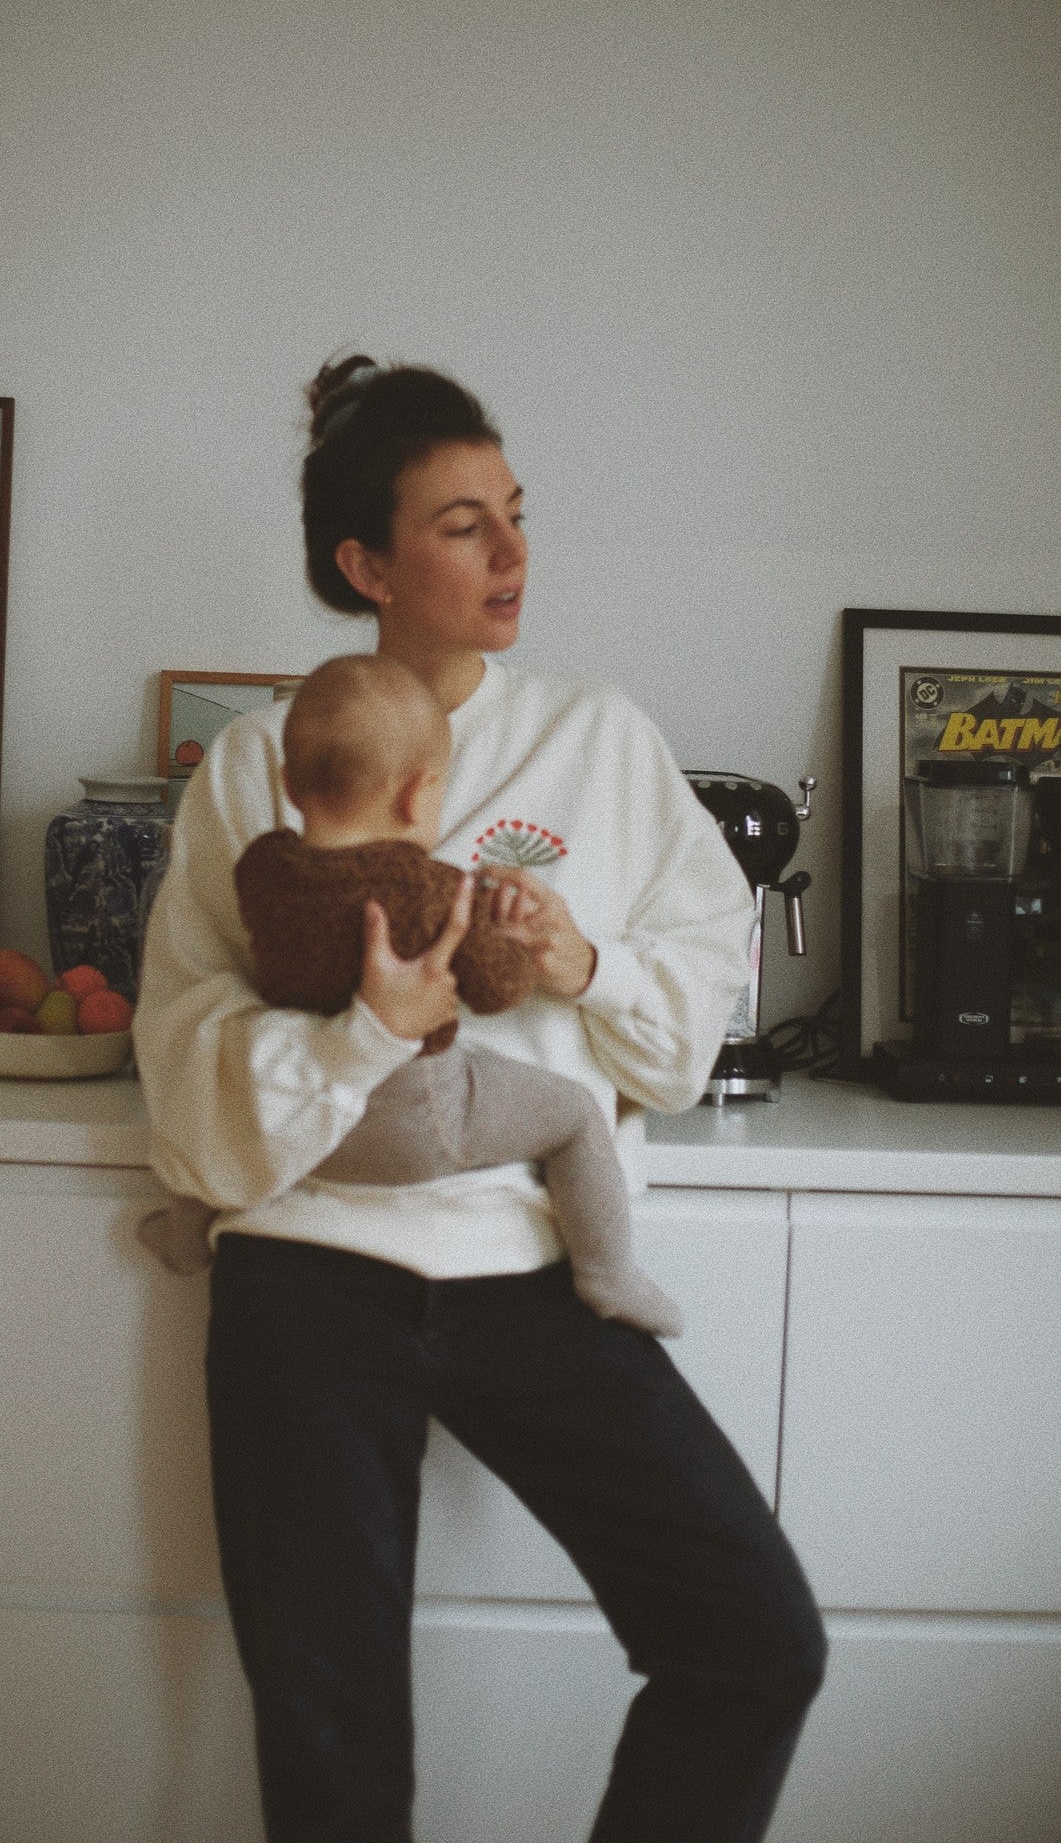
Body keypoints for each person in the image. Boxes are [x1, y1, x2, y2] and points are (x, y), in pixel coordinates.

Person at [133, 356, 827, 1843]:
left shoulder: (604, 741)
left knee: (755, 1640)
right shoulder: (254, 768)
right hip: (306, 1271)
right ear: (364, 563)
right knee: (336, 1762)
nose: (513, 556)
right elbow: (185, 1080)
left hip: (529, 1266)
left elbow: (680, 1039)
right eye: (463, 526)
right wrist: (361, 1037)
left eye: (515, 515)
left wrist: (580, 958)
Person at [140, 650, 683, 1336]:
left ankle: (186, 1231)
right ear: (418, 797)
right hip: (418, 1126)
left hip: (304, 1132)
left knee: (211, 1117)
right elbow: (494, 992)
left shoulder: (262, 868)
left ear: (287, 782)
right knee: (574, 1114)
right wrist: (510, 936)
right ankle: (608, 1273)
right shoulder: (436, 895)